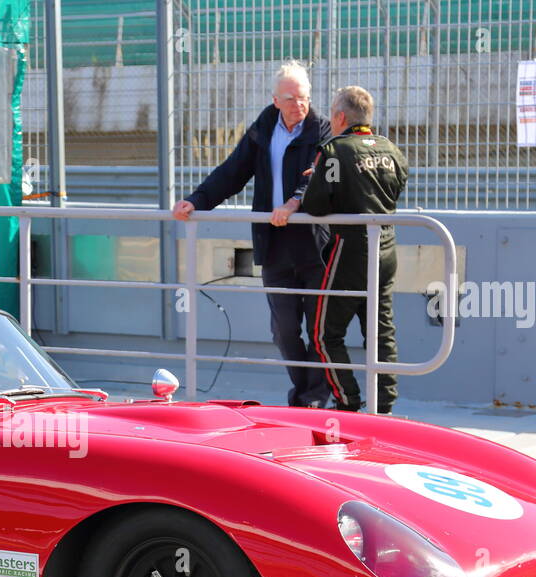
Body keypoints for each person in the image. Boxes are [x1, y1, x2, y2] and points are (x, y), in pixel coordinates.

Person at [173, 60, 331, 407]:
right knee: (283, 330)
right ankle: (305, 393)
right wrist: (196, 200)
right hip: (273, 244)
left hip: (314, 244)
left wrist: (293, 204)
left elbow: (315, 177)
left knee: (320, 332)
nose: (298, 105)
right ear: (275, 100)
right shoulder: (263, 128)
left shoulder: (322, 129)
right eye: (290, 98)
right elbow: (233, 171)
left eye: (303, 97)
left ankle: (313, 398)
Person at [299, 85, 409, 413]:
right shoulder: (392, 150)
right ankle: (385, 408)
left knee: (322, 334)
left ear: (340, 116)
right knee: (380, 331)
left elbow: (315, 207)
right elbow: (391, 188)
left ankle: (347, 401)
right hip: (387, 248)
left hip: (348, 250)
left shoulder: (333, 151)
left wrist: (316, 180)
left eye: (333, 114)